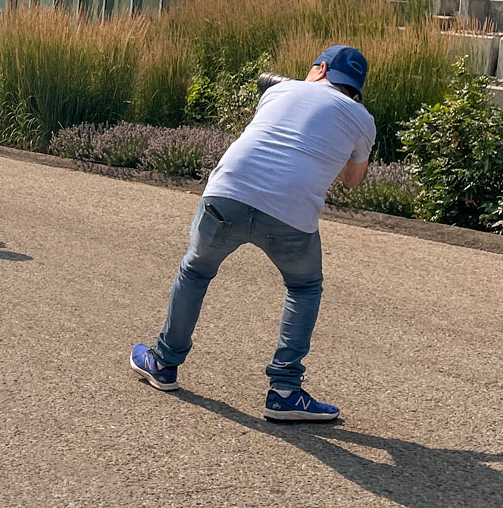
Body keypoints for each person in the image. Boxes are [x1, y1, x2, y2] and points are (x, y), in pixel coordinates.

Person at [130, 45, 376, 421]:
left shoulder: (279, 90)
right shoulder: (362, 118)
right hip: (291, 214)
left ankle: (163, 363)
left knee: (195, 272)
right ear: (353, 89)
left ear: (321, 68)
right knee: (304, 287)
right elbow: (353, 181)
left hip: (228, 195)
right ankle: (284, 391)